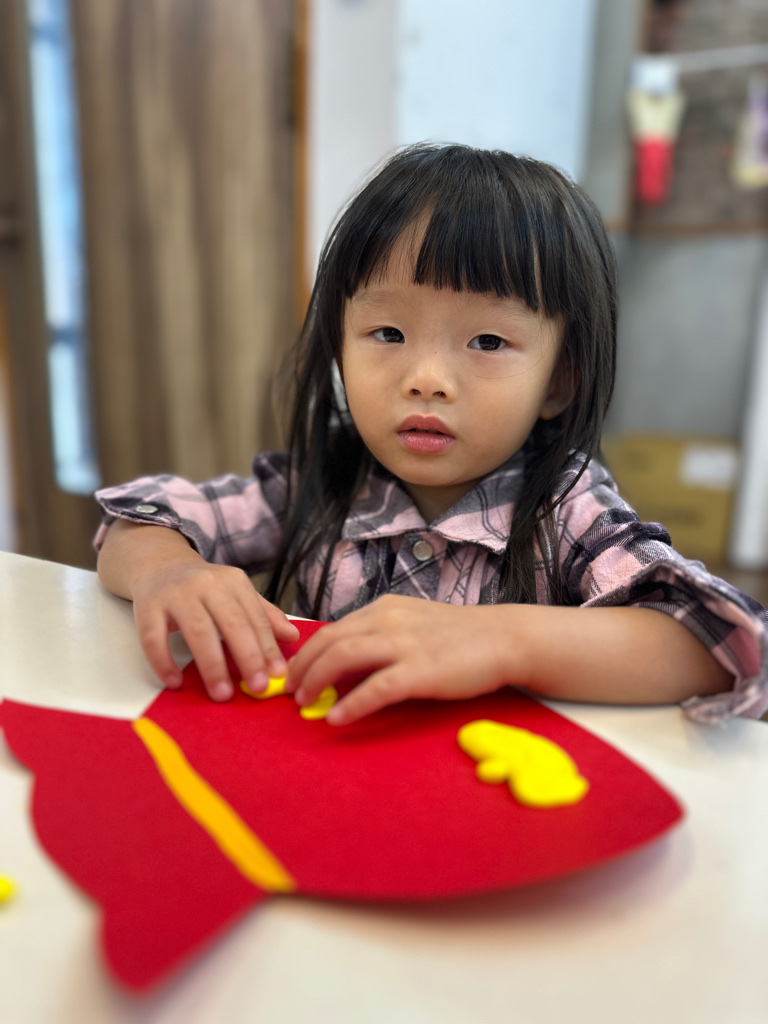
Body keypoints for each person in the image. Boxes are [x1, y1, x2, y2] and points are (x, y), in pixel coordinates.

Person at [94, 143, 768, 728]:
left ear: (558, 382)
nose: (426, 380)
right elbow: (139, 521)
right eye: (388, 333)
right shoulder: (322, 480)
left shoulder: (567, 509)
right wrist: (171, 570)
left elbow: (720, 642)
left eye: (488, 341)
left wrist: (501, 641)